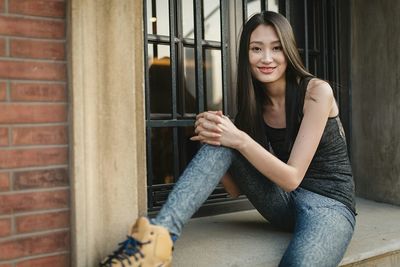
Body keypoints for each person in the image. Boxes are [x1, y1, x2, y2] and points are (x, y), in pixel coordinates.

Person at [100, 10, 356, 267]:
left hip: (329, 206)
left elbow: (292, 177)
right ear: (246, 55)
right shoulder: (252, 109)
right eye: (256, 49)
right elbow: (234, 190)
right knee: (223, 134)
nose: (267, 58)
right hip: (283, 205)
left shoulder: (316, 92)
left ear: (288, 52)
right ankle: (156, 242)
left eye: (276, 48)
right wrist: (210, 135)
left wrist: (239, 138)